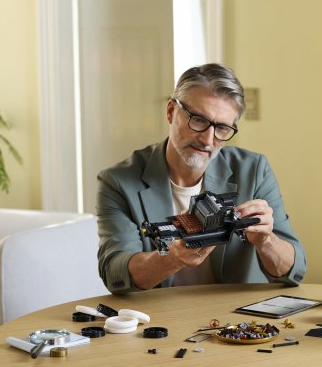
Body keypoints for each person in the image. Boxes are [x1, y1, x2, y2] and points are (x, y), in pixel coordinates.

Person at [96, 63, 306, 294]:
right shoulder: (117, 182)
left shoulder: (254, 171)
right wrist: (171, 259)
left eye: (222, 128)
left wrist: (266, 241)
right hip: (159, 313)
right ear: (170, 111)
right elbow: (115, 273)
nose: (207, 139)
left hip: (237, 312)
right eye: (198, 120)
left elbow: (294, 271)